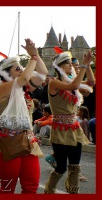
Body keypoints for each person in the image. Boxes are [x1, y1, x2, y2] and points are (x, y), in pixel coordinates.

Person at [0, 38, 48, 194]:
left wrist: (35, 54)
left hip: (27, 140)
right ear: (7, 73)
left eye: (21, 67)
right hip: (6, 142)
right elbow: (24, 78)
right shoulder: (1, 89)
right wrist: (33, 57)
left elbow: (43, 73)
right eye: (17, 68)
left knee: (31, 186)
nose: (21, 70)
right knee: (8, 189)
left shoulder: (23, 89)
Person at [44, 48, 95, 194]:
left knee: (75, 167)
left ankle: (74, 193)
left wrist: (88, 64)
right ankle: (48, 191)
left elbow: (91, 82)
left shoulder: (73, 82)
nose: (71, 65)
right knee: (61, 167)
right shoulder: (53, 83)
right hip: (60, 130)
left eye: (70, 63)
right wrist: (83, 66)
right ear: (59, 67)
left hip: (74, 129)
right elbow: (73, 85)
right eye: (67, 63)